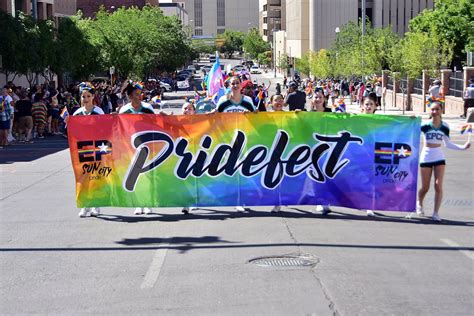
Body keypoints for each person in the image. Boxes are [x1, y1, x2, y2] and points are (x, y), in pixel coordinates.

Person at [415, 101, 470, 222]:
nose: (434, 112)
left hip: (439, 157)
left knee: (438, 185)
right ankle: (420, 202)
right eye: (432, 110)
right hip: (426, 156)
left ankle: (436, 213)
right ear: (430, 111)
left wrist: (463, 147)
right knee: (425, 187)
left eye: (437, 109)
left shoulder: (445, 126)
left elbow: (448, 143)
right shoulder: (424, 125)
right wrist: (411, 121)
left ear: (441, 111)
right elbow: (411, 133)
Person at [216, 76, 255, 212]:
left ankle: (240, 200)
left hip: (244, 141)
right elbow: (216, 118)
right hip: (227, 141)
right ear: (228, 85)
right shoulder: (223, 101)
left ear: (241, 85)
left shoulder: (248, 101)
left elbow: (257, 118)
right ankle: (231, 198)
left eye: (237, 83)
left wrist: (252, 115)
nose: (235, 85)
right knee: (229, 172)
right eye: (232, 83)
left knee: (241, 172)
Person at [119, 80, 154, 215]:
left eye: (140, 94)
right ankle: (138, 204)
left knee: (148, 176)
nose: (139, 97)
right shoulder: (125, 110)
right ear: (129, 96)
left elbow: (157, 124)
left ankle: (148, 203)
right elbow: (120, 128)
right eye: (136, 94)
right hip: (131, 148)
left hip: (148, 147)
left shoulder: (147, 108)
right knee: (135, 176)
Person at [73, 82, 104, 217]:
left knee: (96, 177)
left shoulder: (99, 111)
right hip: (82, 150)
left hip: (97, 149)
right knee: (83, 177)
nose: (85, 99)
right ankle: (85, 205)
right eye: (83, 96)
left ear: (93, 97)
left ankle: (96, 204)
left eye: (88, 96)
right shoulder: (77, 113)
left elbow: (105, 128)